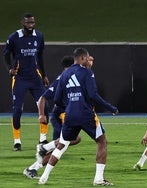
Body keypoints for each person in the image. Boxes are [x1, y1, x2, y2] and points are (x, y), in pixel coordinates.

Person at [38, 48, 118, 186]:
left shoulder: (64, 75)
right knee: (102, 141)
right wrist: (111, 108)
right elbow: (93, 95)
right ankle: (98, 179)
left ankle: (43, 177)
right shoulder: (87, 72)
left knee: (62, 145)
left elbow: (57, 99)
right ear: (82, 58)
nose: (88, 61)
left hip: (69, 115)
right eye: (87, 58)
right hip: (86, 114)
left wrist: (69, 106)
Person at [23, 55, 78, 179]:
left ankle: (38, 159)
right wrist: (41, 114)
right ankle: (33, 166)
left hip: (69, 115)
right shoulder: (61, 79)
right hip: (60, 116)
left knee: (67, 142)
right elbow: (43, 97)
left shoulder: (73, 77)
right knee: (64, 144)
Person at [3, 12, 50, 151]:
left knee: (45, 107)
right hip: (19, 79)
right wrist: (9, 69)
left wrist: (44, 75)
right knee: (17, 110)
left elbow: (40, 57)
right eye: (28, 23)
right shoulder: (14, 37)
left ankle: (43, 138)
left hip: (36, 78)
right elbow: (6, 55)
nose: (31, 25)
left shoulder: (39, 36)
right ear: (22, 23)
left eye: (33, 23)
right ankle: (17, 141)